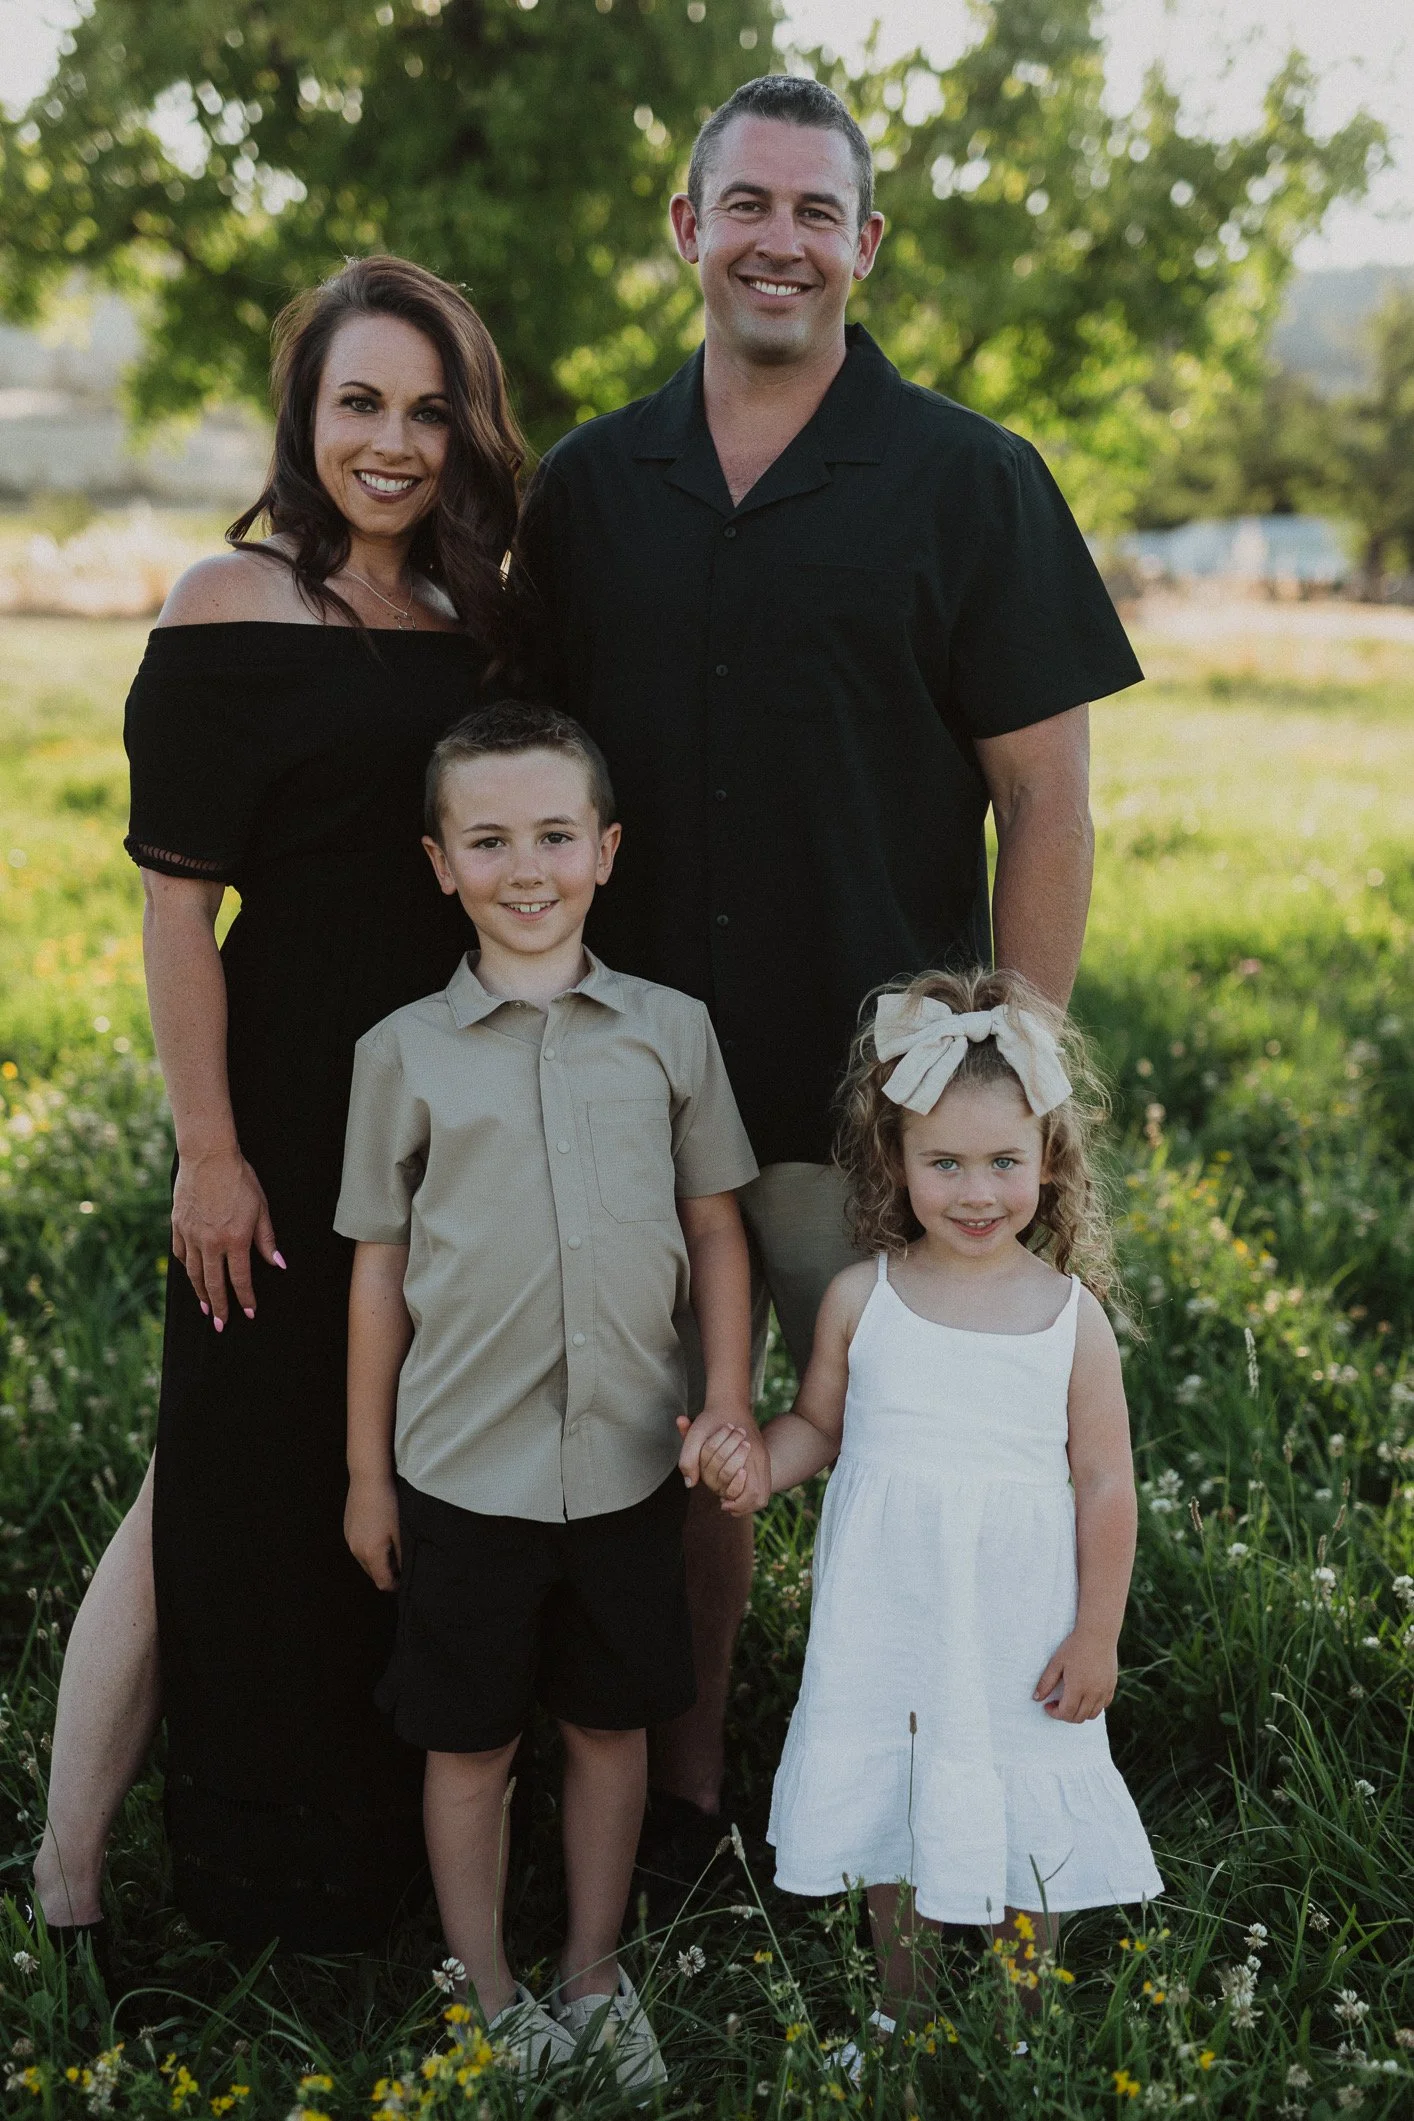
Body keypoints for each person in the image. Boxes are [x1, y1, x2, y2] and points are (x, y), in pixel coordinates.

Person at [514, 73, 1144, 1875]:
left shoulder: (972, 481)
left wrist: (1006, 1076)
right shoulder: (584, 490)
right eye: (746, 204)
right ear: (686, 231)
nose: (776, 238)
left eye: (815, 211)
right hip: (632, 1090)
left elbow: (1042, 799)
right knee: (686, 1462)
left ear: (863, 247)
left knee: (937, 1457)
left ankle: (977, 1807)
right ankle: (694, 1797)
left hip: (871, 1101)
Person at [30, 257, 524, 1954]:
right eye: (357, 403)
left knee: (382, 1467)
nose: (390, 441)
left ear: (466, 427)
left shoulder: (485, 618)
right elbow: (179, 906)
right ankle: (76, 1876)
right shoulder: (226, 604)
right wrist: (210, 1152)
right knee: (212, 1480)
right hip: (286, 1104)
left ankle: (373, 1860)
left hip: (452, 1115)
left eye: (425, 407)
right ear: (303, 418)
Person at [334, 701, 760, 2083]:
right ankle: (485, 1988)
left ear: (608, 849)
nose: (528, 866)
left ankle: (592, 1972)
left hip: (631, 1463)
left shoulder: (670, 1032)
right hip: (461, 1470)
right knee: (466, 1742)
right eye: (490, 838)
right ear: (439, 861)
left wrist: (730, 1396)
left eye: (556, 835)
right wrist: (363, 1474)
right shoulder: (400, 1051)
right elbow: (379, 1273)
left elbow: (714, 1231)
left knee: (609, 1722)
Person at [695, 967, 1162, 2045]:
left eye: (1004, 1162)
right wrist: (756, 1466)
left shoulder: (1066, 1320)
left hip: (1019, 1620)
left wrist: (1097, 1633)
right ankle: (899, 2011)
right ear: (892, 1162)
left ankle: (1018, 2024)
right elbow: (820, 1423)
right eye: (942, 1163)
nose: (975, 1192)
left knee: (1023, 1790)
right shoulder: (868, 1297)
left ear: (1049, 1161)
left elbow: (1105, 1481)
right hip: (892, 1612)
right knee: (893, 1803)